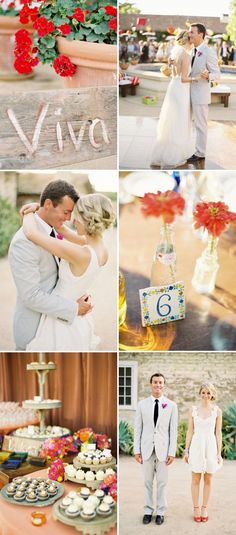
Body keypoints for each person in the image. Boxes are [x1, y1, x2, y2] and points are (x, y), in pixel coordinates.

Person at [9, 180, 92, 350]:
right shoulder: (23, 242)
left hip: (56, 326)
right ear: (48, 204)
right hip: (35, 329)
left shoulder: (52, 228)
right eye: (66, 212)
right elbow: (31, 295)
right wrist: (73, 308)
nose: (69, 218)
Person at [134, 373, 178, 526]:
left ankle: (160, 512)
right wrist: (136, 450)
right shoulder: (142, 404)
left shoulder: (171, 405)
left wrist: (172, 452)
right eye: (155, 382)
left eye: (160, 382)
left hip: (163, 451)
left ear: (164, 385)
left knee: (162, 483)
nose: (158, 385)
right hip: (146, 449)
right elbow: (138, 429)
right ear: (150, 384)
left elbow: (173, 431)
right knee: (147, 482)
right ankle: (147, 510)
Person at [151, 30, 196, 168]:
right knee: (180, 121)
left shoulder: (175, 53)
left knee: (171, 120)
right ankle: (175, 155)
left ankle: (163, 152)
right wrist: (197, 78)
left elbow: (173, 75)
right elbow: (184, 79)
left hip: (173, 88)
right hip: (182, 90)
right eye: (192, 38)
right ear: (188, 40)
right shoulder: (186, 56)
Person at [184, 382, 223, 523]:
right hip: (196, 446)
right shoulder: (193, 410)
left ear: (212, 394)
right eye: (203, 392)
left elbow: (218, 433)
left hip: (211, 446)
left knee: (208, 479)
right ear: (200, 394)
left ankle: (204, 508)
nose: (206, 395)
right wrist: (186, 451)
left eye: (208, 392)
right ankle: (195, 508)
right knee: (195, 478)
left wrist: (219, 453)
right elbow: (190, 431)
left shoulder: (217, 411)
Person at [187, 23, 221, 163]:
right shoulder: (191, 51)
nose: (189, 35)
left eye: (192, 32)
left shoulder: (208, 51)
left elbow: (217, 74)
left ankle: (200, 153)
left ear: (200, 34)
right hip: (188, 93)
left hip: (200, 94)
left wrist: (208, 76)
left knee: (201, 125)